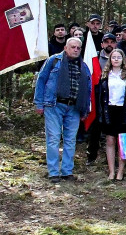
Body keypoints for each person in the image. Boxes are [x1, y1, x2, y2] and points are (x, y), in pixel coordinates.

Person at [34, 37, 91, 182]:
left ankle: (67, 171)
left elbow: (88, 89)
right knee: (53, 138)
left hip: (74, 107)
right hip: (54, 105)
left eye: (78, 48)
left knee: (70, 140)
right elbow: (41, 80)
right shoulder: (54, 61)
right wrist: (39, 103)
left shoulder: (83, 66)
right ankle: (53, 172)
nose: (75, 50)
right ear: (66, 48)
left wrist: (85, 109)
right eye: (73, 47)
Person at [96, 48, 126, 181]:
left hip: (123, 111)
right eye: (113, 57)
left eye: (119, 57)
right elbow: (100, 96)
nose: (116, 59)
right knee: (110, 140)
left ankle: (121, 171)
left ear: (123, 60)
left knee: (122, 142)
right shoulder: (105, 76)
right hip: (109, 110)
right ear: (110, 60)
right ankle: (111, 171)